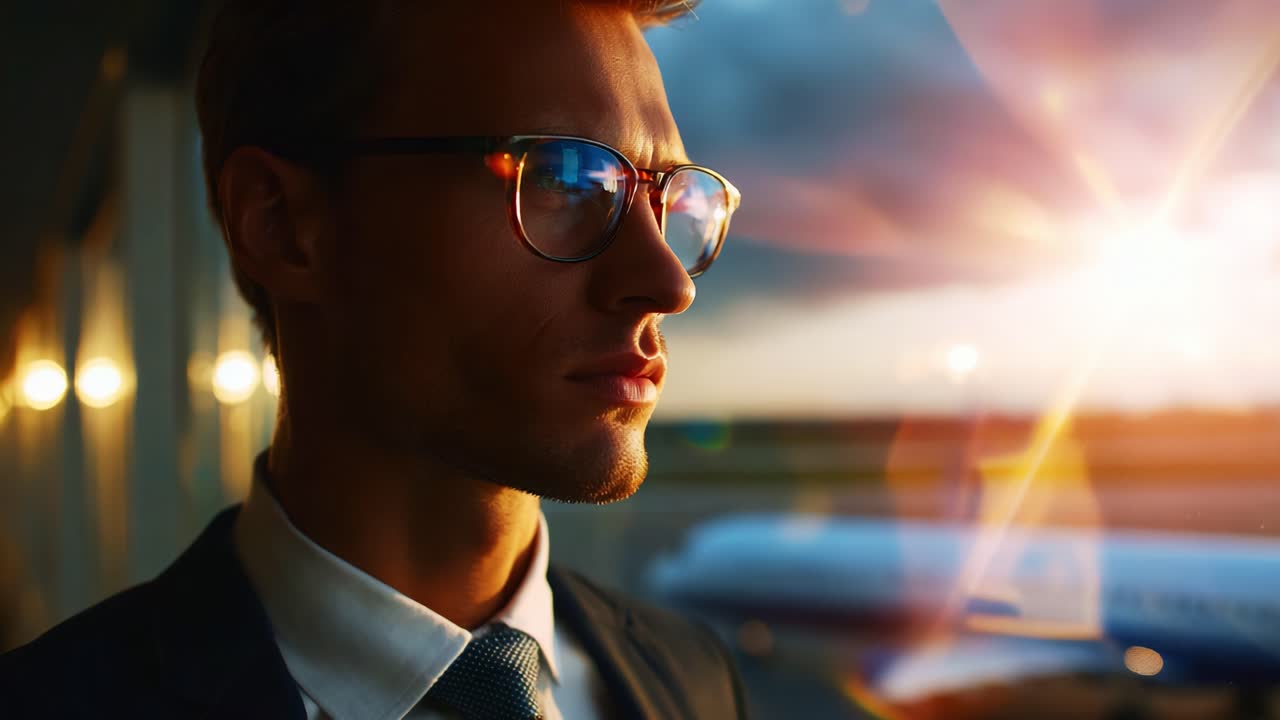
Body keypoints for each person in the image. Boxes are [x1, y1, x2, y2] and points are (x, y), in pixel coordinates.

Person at [0, 0, 747, 718]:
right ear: (283, 224)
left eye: (665, 199)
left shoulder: (691, 678)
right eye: (562, 178)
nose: (668, 282)